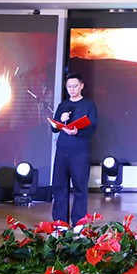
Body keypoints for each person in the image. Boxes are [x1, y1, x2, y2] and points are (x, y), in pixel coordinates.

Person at [49, 73, 98, 229]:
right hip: (62, 150)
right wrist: (60, 120)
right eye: (69, 86)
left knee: (79, 187)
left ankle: (78, 222)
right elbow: (54, 128)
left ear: (81, 86)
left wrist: (77, 131)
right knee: (59, 186)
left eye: (74, 86)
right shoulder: (63, 105)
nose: (71, 89)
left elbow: (92, 128)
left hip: (80, 151)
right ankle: (60, 222)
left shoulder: (89, 105)